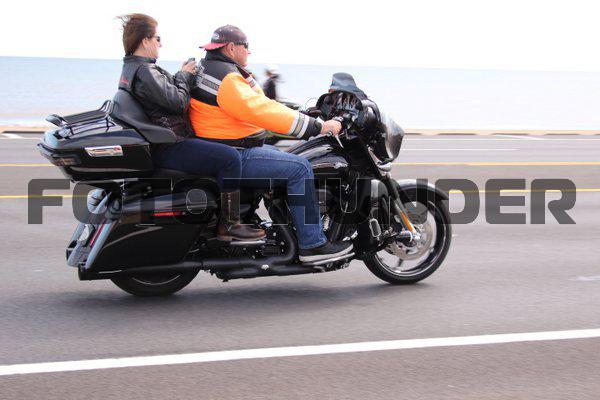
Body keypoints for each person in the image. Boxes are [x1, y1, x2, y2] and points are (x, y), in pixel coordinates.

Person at [189, 25, 353, 263]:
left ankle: (283, 226)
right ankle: (312, 244)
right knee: (300, 168)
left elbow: (261, 103)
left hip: (223, 147)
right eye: (246, 46)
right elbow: (260, 109)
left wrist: (303, 115)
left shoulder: (210, 68)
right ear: (231, 48)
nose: (249, 52)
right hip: (235, 152)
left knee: (285, 156)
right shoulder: (227, 79)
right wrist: (317, 127)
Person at [117, 15, 264, 241]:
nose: (160, 43)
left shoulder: (133, 68)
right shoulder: (145, 71)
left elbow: (165, 95)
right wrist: (185, 75)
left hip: (160, 141)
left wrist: (181, 75)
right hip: (170, 144)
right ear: (145, 41)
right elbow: (178, 102)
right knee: (229, 158)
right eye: (157, 38)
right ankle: (229, 224)